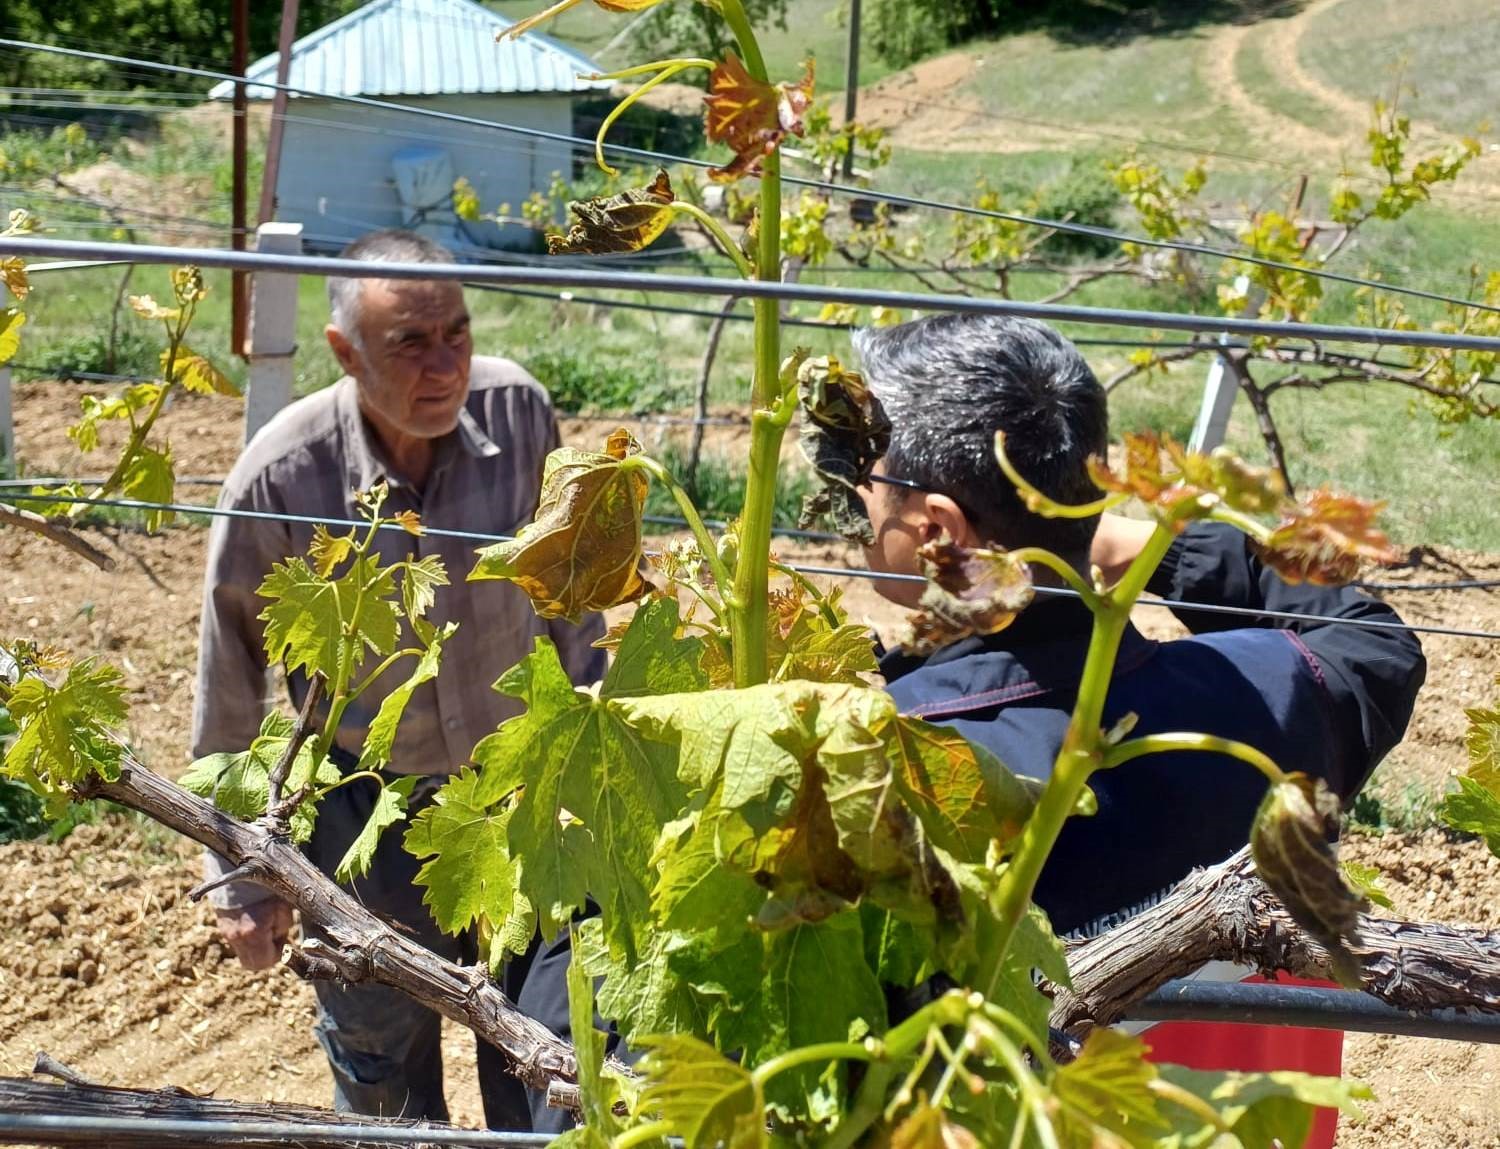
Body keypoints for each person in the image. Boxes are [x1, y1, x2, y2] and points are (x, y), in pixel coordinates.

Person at [856, 312, 1426, 1148]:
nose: (855, 507)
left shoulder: (885, 767)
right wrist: (1154, 547)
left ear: (938, 528)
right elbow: (1377, 641)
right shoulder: (1270, 701)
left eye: (861, 482)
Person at [191, 228, 605, 1127]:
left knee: (549, 1064)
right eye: (409, 344)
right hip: (364, 819)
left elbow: (571, 598)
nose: (444, 365)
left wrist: (592, 754)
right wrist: (243, 879)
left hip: (522, 805)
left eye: (455, 333)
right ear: (344, 352)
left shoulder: (522, 413)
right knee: (381, 1076)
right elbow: (231, 677)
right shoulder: (282, 474)